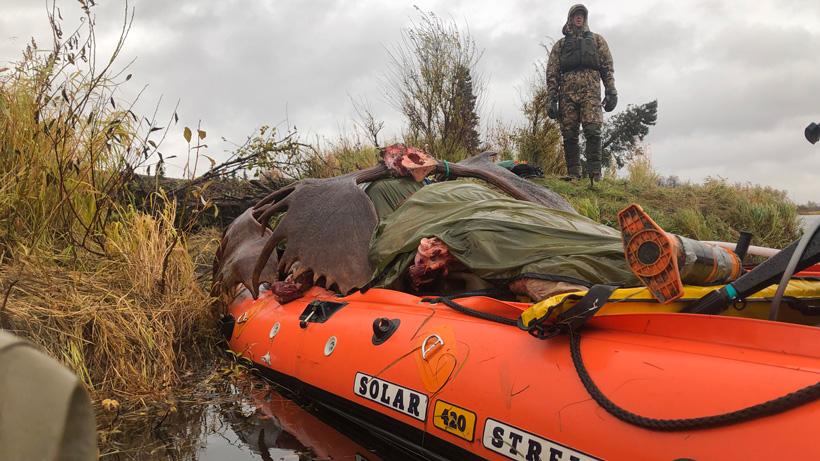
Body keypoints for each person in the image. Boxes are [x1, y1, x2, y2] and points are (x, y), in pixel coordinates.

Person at [546, 4, 618, 181]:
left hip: (591, 93)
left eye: (582, 15)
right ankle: (574, 173)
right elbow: (552, 72)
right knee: (569, 133)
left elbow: (607, 67)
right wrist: (551, 99)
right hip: (567, 95)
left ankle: (595, 173)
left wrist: (611, 90)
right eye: (575, 15)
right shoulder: (561, 45)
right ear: (570, 19)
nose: (579, 17)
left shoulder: (597, 40)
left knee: (593, 131)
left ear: (585, 19)